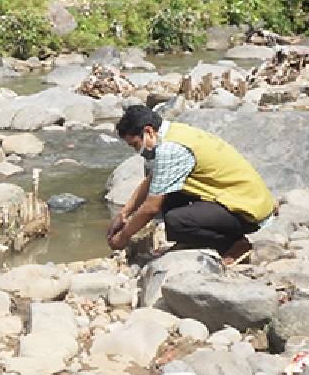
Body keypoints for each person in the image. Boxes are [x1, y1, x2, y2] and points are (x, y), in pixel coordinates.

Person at [107, 105, 275, 263]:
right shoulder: (174, 131)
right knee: (167, 191)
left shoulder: (170, 149)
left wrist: (123, 237)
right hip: (240, 199)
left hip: (246, 210)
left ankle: (233, 245)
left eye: (135, 145)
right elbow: (153, 179)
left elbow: (151, 208)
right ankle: (190, 242)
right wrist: (124, 214)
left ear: (148, 131)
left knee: (176, 221)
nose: (137, 151)